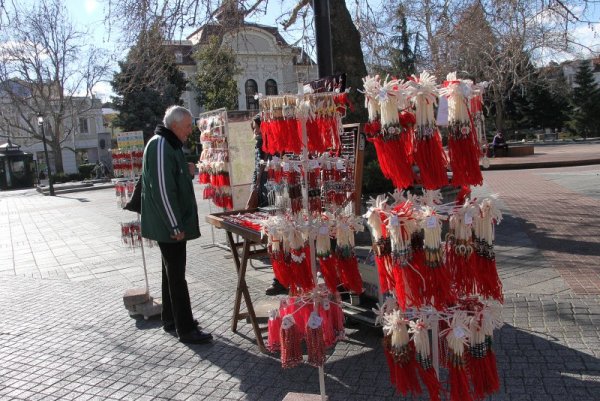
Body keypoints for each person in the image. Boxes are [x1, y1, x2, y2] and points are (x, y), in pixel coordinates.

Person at [141, 105, 212, 344]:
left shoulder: (167, 143)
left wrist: (187, 170)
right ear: (175, 124)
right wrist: (174, 225)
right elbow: (162, 189)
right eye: (187, 126)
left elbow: (170, 178)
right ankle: (185, 327)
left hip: (168, 224)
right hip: (168, 225)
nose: (190, 131)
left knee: (170, 273)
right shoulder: (161, 144)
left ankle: (171, 318)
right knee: (177, 276)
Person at [245, 114, 288, 296]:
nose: (254, 132)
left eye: (256, 128)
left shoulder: (276, 145)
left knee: (281, 239)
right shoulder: (258, 147)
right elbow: (257, 170)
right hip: (263, 197)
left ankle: (282, 279)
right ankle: (278, 278)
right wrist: (253, 191)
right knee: (273, 241)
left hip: (277, 197)